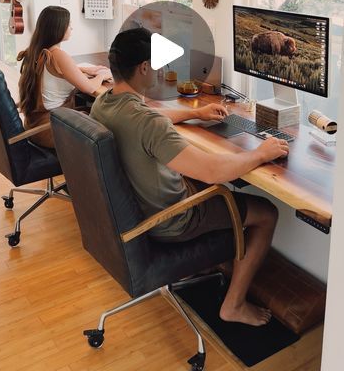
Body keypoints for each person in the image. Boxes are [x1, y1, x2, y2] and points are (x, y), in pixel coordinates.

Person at [90, 27, 290, 327]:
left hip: (136, 206)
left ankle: (200, 269)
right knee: (266, 212)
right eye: (156, 66)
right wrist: (262, 153)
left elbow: (148, 120)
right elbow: (212, 169)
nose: (160, 72)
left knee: (213, 183)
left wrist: (195, 113)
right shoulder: (147, 123)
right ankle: (233, 305)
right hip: (171, 220)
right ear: (143, 68)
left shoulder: (104, 102)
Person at [17, 5, 111, 148]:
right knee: (109, 127)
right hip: (51, 131)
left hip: (34, 127)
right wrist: (102, 74)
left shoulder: (36, 51)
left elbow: (52, 74)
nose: (71, 28)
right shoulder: (57, 54)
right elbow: (90, 88)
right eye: (69, 24)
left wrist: (81, 69)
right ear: (58, 28)